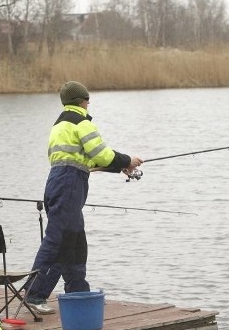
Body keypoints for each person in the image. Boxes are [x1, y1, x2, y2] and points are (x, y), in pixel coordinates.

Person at [25, 81, 143, 314]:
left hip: (58, 182)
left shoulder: (59, 125)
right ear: (83, 101)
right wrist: (126, 160)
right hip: (69, 185)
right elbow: (102, 154)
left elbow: (87, 161)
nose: (89, 104)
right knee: (59, 239)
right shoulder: (82, 122)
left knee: (76, 241)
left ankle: (77, 292)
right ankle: (35, 294)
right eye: (88, 100)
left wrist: (117, 168)